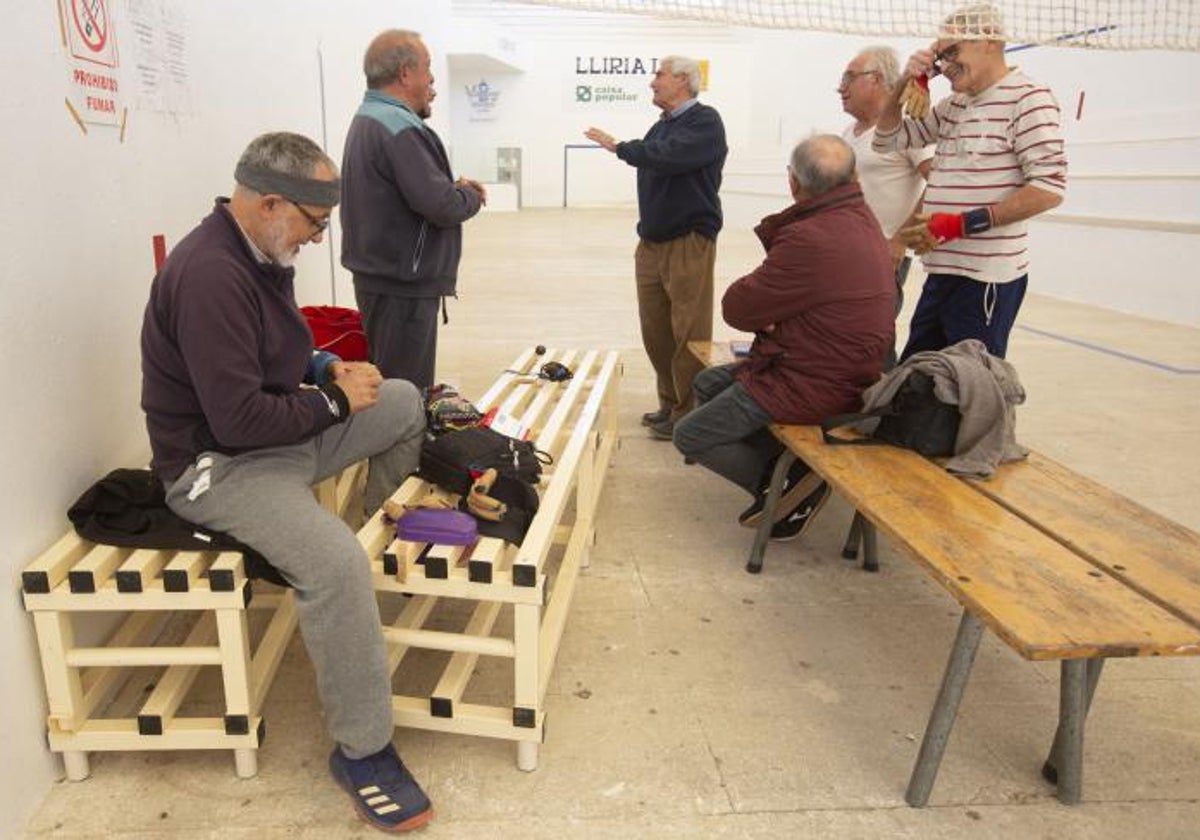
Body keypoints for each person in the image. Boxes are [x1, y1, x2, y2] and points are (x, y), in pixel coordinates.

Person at [141, 132, 434, 833]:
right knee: (333, 563)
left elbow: (277, 343)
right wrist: (335, 404)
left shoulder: (258, 247)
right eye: (314, 224)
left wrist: (327, 368)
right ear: (271, 203)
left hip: (278, 439)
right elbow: (238, 420)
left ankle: (373, 546)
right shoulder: (210, 273)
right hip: (221, 468)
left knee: (400, 398)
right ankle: (363, 752)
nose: (316, 239)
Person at [673, 136, 895, 540]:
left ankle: (783, 488)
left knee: (690, 435)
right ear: (854, 177)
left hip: (815, 380)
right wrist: (787, 315)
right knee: (707, 382)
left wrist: (780, 317)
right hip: (846, 366)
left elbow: (738, 309)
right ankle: (788, 465)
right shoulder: (862, 217)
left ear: (793, 182)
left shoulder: (808, 237)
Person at [874, 2, 1067, 360]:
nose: (944, 66)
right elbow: (886, 139)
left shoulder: (1029, 99)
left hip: (985, 280)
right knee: (917, 377)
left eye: (951, 52)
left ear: (989, 40)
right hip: (941, 272)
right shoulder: (954, 105)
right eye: (940, 57)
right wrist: (904, 81)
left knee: (970, 387)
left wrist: (962, 223)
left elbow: (1049, 190)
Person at [584, 56, 727, 441]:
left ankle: (690, 413)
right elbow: (655, 156)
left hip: (687, 241)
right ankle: (670, 403)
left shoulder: (705, 122)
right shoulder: (660, 126)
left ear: (683, 79)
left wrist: (619, 147)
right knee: (657, 331)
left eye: (659, 75)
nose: (652, 83)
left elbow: (669, 157)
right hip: (651, 242)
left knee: (689, 332)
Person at [341, 29, 486, 390]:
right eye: (427, 67)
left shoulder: (371, 118)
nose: (432, 78)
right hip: (401, 287)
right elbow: (441, 205)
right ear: (405, 73)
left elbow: (412, 192)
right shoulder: (398, 128)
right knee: (404, 395)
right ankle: (400, 450)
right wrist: (470, 195)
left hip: (388, 280)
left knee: (393, 388)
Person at [839, 44, 932, 335]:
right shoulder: (848, 134)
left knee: (871, 338)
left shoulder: (909, 129)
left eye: (849, 77)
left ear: (877, 79)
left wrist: (900, 240)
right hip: (844, 253)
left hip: (880, 256)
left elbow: (942, 181)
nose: (840, 88)